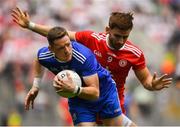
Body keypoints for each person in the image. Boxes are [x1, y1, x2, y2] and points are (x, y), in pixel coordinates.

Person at [11, 7, 172, 114]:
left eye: (125, 37)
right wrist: (30, 25)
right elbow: (61, 35)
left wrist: (153, 85)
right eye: (117, 36)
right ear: (108, 30)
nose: (121, 40)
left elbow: (146, 81)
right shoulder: (91, 39)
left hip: (112, 101)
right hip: (85, 99)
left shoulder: (134, 53)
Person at [23, 26, 136, 126]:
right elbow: (38, 60)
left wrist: (75, 89)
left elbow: (95, 93)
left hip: (103, 92)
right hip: (78, 98)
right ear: (51, 49)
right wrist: (35, 86)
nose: (67, 50)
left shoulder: (83, 56)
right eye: (61, 48)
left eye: (68, 45)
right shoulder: (45, 55)